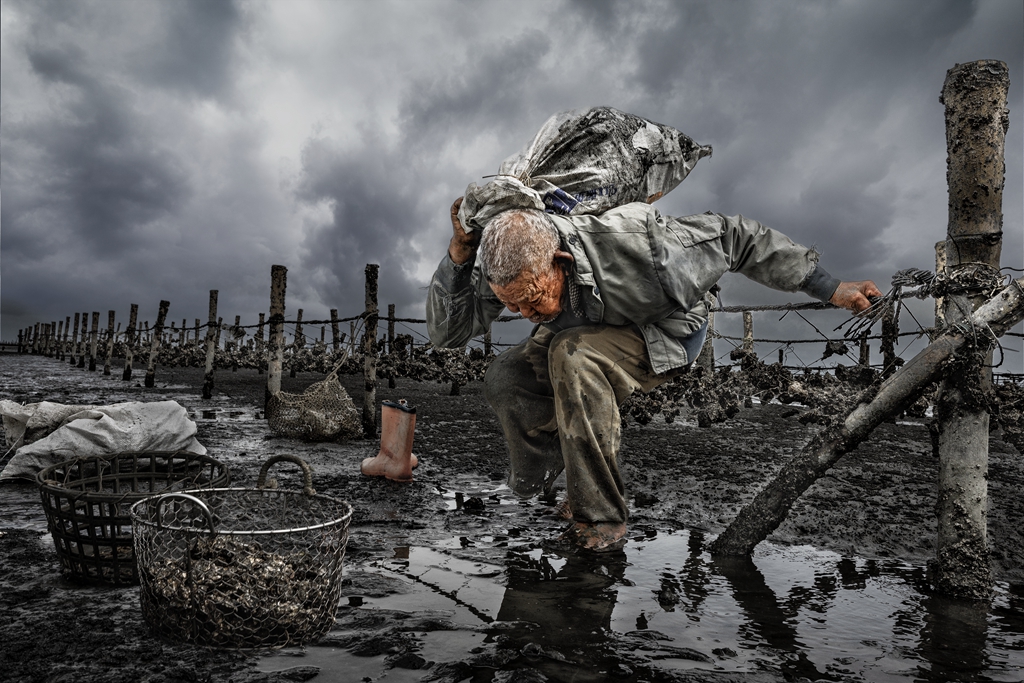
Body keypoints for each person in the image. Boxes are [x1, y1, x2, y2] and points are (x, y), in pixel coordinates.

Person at [426, 196, 881, 552]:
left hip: (662, 330)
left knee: (573, 355)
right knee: (506, 375)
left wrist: (830, 288)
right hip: (583, 324)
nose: (525, 314)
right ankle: (540, 477)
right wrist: (457, 257)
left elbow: (738, 237)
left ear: (561, 263)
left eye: (533, 298)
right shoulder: (508, 271)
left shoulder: (638, 244)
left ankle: (603, 518)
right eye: (512, 305)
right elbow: (448, 335)